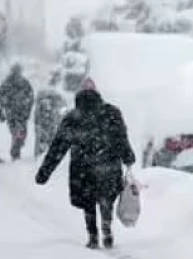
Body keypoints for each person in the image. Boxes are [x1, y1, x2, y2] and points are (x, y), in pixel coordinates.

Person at [35, 83, 135, 249]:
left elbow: (58, 147)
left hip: (83, 168)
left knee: (88, 201)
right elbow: (121, 139)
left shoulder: (73, 118)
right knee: (106, 198)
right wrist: (128, 156)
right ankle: (106, 226)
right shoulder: (111, 113)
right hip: (108, 165)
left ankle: (93, 235)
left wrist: (44, 172)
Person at [0, 64, 35, 161]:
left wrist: (28, 107)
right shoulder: (8, 82)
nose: (18, 73)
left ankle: (16, 148)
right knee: (17, 132)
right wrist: (6, 105)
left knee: (20, 133)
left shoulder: (24, 82)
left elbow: (31, 96)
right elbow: (2, 96)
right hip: (14, 112)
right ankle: (15, 152)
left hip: (20, 112)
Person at [33, 72, 67, 158]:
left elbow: (63, 105)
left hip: (51, 116)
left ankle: (47, 152)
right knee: (46, 136)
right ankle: (44, 153)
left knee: (49, 135)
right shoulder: (51, 89)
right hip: (48, 116)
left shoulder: (57, 89)